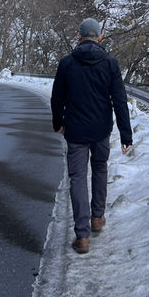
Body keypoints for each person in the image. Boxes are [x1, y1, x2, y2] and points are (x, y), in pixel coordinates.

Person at [51, 18, 133, 254]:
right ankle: (97, 217)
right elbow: (119, 101)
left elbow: (57, 99)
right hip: (100, 131)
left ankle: (82, 236)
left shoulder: (67, 63)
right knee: (99, 170)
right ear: (100, 37)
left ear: (79, 36)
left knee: (77, 178)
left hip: (75, 131)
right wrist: (126, 135)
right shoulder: (110, 63)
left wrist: (59, 123)